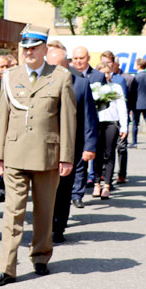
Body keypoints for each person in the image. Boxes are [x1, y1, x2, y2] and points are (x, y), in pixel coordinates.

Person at [0, 25, 76, 286]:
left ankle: (40, 256)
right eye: (25, 47)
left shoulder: (60, 77)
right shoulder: (10, 76)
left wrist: (66, 156)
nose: (29, 52)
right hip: (15, 154)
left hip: (46, 154)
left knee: (43, 211)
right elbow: (2, 118)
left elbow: (68, 119)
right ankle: (6, 267)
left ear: (44, 49)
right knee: (12, 213)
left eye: (34, 47)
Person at [47, 43, 97, 242]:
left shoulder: (80, 83)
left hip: (70, 146)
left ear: (66, 64)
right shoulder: (42, 80)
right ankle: (45, 226)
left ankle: (58, 228)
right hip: (44, 145)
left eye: (58, 65)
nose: (55, 69)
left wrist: (89, 146)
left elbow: (89, 118)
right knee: (45, 188)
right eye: (51, 65)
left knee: (64, 188)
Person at [93, 62, 128, 199]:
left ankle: (107, 185)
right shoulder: (94, 87)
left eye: (108, 72)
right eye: (103, 73)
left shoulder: (116, 87)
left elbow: (122, 107)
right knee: (97, 154)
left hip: (111, 123)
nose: (106, 75)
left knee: (109, 154)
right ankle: (96, 183)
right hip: (96, 124)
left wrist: (124, 126)